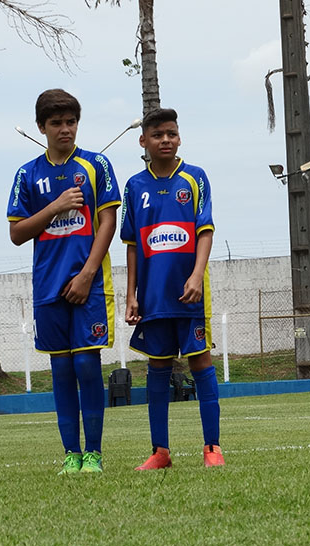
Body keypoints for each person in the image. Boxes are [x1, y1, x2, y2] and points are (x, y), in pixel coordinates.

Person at [8, 89, 120, 474]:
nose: (65, 129)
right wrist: (54, 207)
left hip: (89, 284)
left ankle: (94, 454)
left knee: (87, 364)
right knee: (61, 370)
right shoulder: (27, 174)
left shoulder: (96, 165)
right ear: (42, 127)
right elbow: (17, 233)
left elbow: (108, 222)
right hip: (48, 286)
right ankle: (71, 454)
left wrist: (87, 274)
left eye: (71, 122)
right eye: (56, 123)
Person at [121, 108, 224, 470]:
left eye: (172, 134)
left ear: (179, 138)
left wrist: (196, 275)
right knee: (158, 366)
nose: (166, 140)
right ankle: (160, 452)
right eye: (158, 135)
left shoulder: (195, 178)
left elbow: (205, 231)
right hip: (153, 296)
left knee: (200, 361)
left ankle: (212, 448)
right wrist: (131, 294)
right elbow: (132, 245)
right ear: (143, 141)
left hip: (190, 293)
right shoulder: (135, 186)